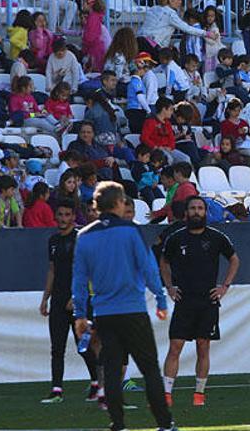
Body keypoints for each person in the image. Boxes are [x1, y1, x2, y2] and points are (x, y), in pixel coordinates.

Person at [71, 182, 176, 431]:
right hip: (132, 310)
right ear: (119, 203)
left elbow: (78, 279)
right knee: (149, 369)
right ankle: (165, 424)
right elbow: (148, 268)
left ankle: (117, 425)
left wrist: (79, 315)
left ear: (96, 206)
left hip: (104, 314)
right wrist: (160, 299)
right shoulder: (131, 231)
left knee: (112, 369)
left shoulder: (83, 236)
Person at [160, 196, 240, 407]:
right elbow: (164, 261)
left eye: (200, 208)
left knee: (203, 346)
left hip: (207, 301)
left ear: (205, 212)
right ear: (186, 213)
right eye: (193, 208)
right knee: (175, 346)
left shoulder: (216, 237)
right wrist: (169, 286)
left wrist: (225, 286)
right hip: (184, 301)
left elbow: (234, 259)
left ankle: (199, 395)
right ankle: (166, 395)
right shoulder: (176, 238)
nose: (197, 212)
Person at [39, 201, 100, 404]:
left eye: (67, 215)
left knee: (83, 346)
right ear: (55, 217)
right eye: (60, 214)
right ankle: (57, 390)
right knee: (57, 347)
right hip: (57, 300)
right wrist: (45, 298)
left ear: (73, 217)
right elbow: (52, 270)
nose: (63, 218)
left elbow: (88, 270)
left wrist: (77, 297)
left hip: (78, 302)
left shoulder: (81, 238)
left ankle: (96, 383)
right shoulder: (53, 241)